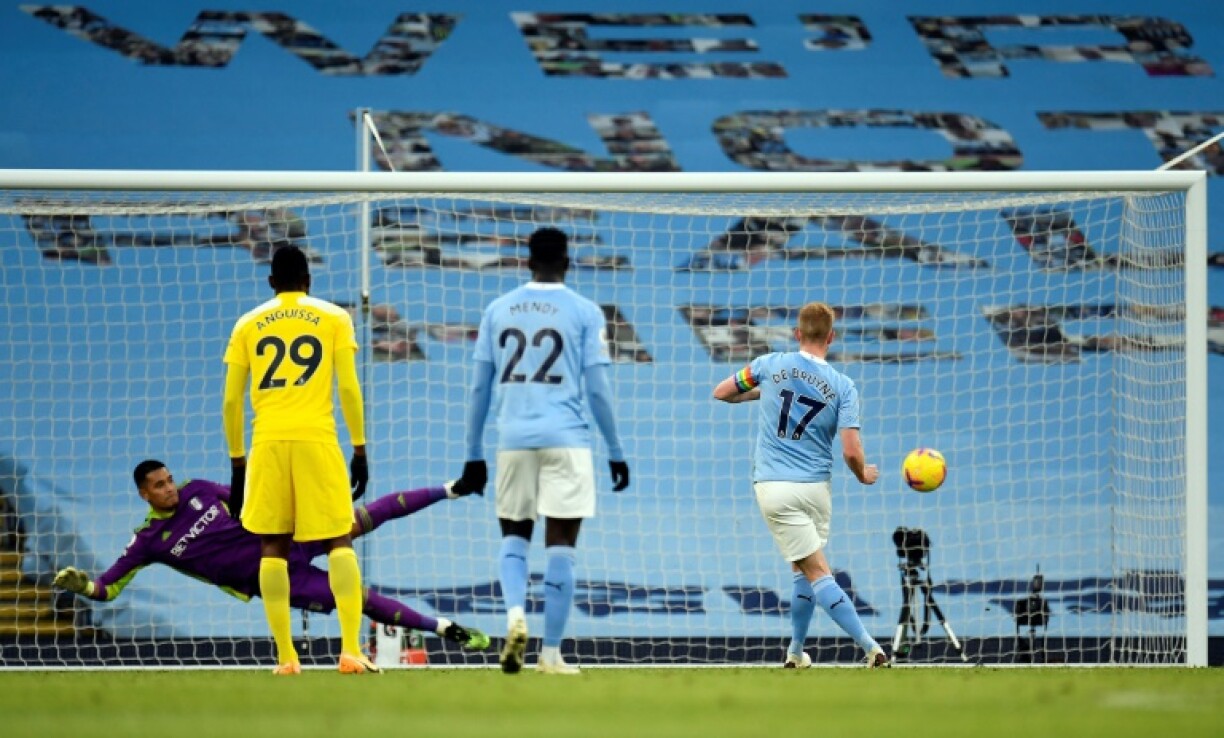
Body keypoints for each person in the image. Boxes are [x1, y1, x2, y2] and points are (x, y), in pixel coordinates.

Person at [53, 460, 490, 653]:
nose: (169, 488)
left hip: (285, 537)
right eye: (159, 485)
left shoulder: (200, 490)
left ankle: (452, 488)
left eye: (169, 480)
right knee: (358, 597)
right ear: (144, 493)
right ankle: (445, 628)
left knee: (364, 515)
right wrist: (83, 588)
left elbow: (250, 499)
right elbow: (107, 589)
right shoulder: (148, 541)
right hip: (273, 580)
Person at [454, 227, 629, 676]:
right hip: (568, 440)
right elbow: (598, 389)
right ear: (567, 263)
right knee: (561, 546)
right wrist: (615, 450)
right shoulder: (586, 312)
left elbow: (478, 388)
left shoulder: (498, 310)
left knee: (514, 537)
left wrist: (473, 452)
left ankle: (515, 617)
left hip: (512, 439)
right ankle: (550, 654)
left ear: (527, 262)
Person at [221, 245, 375, 675]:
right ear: (310, 279)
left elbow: (232, 400)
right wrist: (360, 448)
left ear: (270, 283)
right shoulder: (333, 317)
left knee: (272, 543)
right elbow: (348, 388)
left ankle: (287, 657)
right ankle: (349, 650)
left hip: (268, 441)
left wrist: (238, 463)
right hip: (317, 439)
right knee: (339, 539)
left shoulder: (248, 323)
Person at [712, 301, 890, 668]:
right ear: (831, 337)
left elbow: (722, 392)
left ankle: (871, 648)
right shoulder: (843, 387)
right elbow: (852, 451)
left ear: (797, 333)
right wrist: (863, 475)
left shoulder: (769, 365)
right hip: (815, 490)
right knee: (804, 569)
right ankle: (795, 653)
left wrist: (766, 392)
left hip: (775, 487)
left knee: (813, 572)